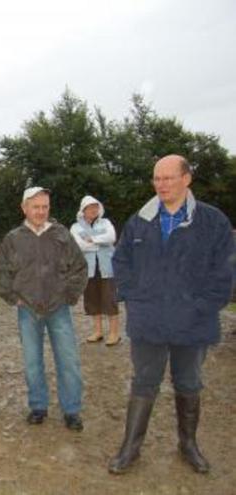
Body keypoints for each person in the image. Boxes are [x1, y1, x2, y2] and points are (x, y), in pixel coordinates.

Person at [108, 155, 235, 474]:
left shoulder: (212, 221)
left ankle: (188, 444)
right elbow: (120, 261)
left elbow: (225, 271)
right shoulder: (140, 220)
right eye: (157, 178)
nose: (161, 184)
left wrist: (202, 307)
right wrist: (133, 297)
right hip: (148, 321)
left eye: (168, 178)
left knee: (189, 382)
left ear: (186, 179)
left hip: (193, 323)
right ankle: (130, 448)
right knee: (143, 382)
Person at [0, 186, 87, 431]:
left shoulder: (62, 234)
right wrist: (13, 298)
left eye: (45, 206)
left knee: (68, 360)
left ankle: (72, 410)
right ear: (24, 208)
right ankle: (38, 406)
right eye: (35, 207)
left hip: (59, 308)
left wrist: (70, 295)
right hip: (27, 309)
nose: (40, 211)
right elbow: (2, 272)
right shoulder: (13, 239)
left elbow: (79, 267)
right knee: (32, 361)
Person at [70, 196, 120, 346]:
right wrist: (100, 241)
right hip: (89, 269)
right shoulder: (76, 227)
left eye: (95, 207)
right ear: (83, 210)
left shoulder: (106, 223)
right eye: (90, 207)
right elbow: (79, 246)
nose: (93, 210)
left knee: (110, 300)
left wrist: (92, 240)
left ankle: (114, 333)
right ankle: (98, 331)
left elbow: (111, 237)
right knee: (92, 300)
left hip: (107, 269)